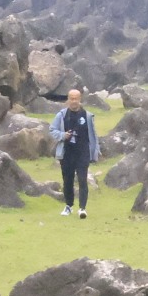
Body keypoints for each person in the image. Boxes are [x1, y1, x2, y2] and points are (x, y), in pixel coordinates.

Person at [51, 89, 100, 219]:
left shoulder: (87, 116)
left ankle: (82, 208)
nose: (73, 101)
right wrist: (62, 135)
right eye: (71, 98)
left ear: (80, 99)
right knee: (67, 181)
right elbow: (52, 130)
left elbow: (93, 135)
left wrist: (95, 151)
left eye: (76, 98)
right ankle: (68, 206)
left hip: (82, 152)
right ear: (68, 99)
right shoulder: (62, 115)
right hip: (67, 153)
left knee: (83, 180)